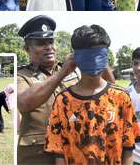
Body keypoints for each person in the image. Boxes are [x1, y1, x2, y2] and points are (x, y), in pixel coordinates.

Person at [17, 15, 115, 164]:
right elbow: (24, 103)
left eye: (50, 42)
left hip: (76, 149)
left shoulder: (76, 68)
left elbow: (110, 89)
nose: (48, 47)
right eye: (41, 43)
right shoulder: (21, 76)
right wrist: (62, 73)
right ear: (26, 48)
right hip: (39, 154)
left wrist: (96, 51)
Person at [44, 24, 140, 164]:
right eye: (88, 55)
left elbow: (128, 147)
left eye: (99, 55)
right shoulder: (63, 101)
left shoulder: (121, 97)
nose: (95, 61)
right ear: (75, 58)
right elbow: (58, 151)